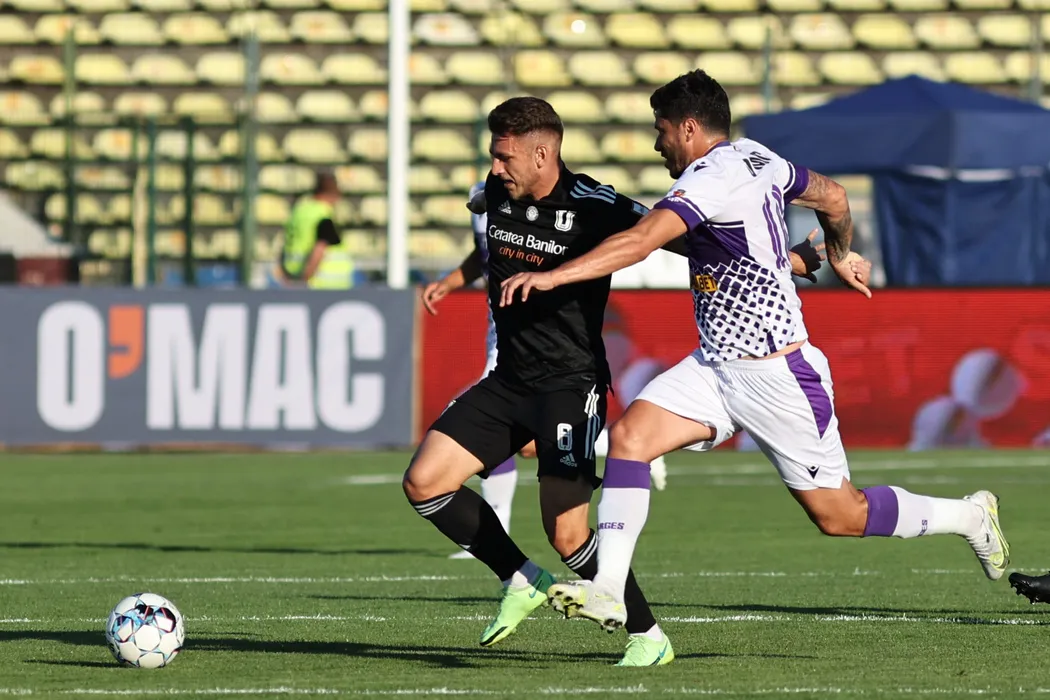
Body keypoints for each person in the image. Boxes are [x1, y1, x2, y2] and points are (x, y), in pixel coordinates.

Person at [499, 70, 1010, 633]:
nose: (657, 143)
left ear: (688, 128)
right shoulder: (756, 156)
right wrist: (839, 253)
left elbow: (643, 241)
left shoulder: (711, 176)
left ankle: (969, 515)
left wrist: (553, 276)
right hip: (715, 366)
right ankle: (610, 591)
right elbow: (833, 197)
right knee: (630, 439)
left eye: (661, 130)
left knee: (841, 515)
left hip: (776, 373)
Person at [402, 96, 675, 666]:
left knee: (568, 535)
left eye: (504, 157)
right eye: (493, 156)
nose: (495, 167)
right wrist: (454, 277)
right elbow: (486, 243)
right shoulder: (496, 190)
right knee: (425, 482)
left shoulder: (595, 204)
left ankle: (649, 636)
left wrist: (787, 261)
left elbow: (668, 233)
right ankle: (521, 579)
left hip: (570, 384)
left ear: (542, 155)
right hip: (509, 378)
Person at [421, 181, 521, 559]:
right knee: (524, 437)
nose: (499, 164)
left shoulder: (538, 199)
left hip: (525, 331)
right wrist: (449, 282)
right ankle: (618, 445)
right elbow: (484, 255)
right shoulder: (481, 194)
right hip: (498, 329)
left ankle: (491, 531)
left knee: (486, 421)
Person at [281, 172, 354, 289]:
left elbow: (287, 243)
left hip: (292, 276)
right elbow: (320, 248)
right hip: (322, 285)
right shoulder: (323, 215)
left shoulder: (300, 210)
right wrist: (304, 279)